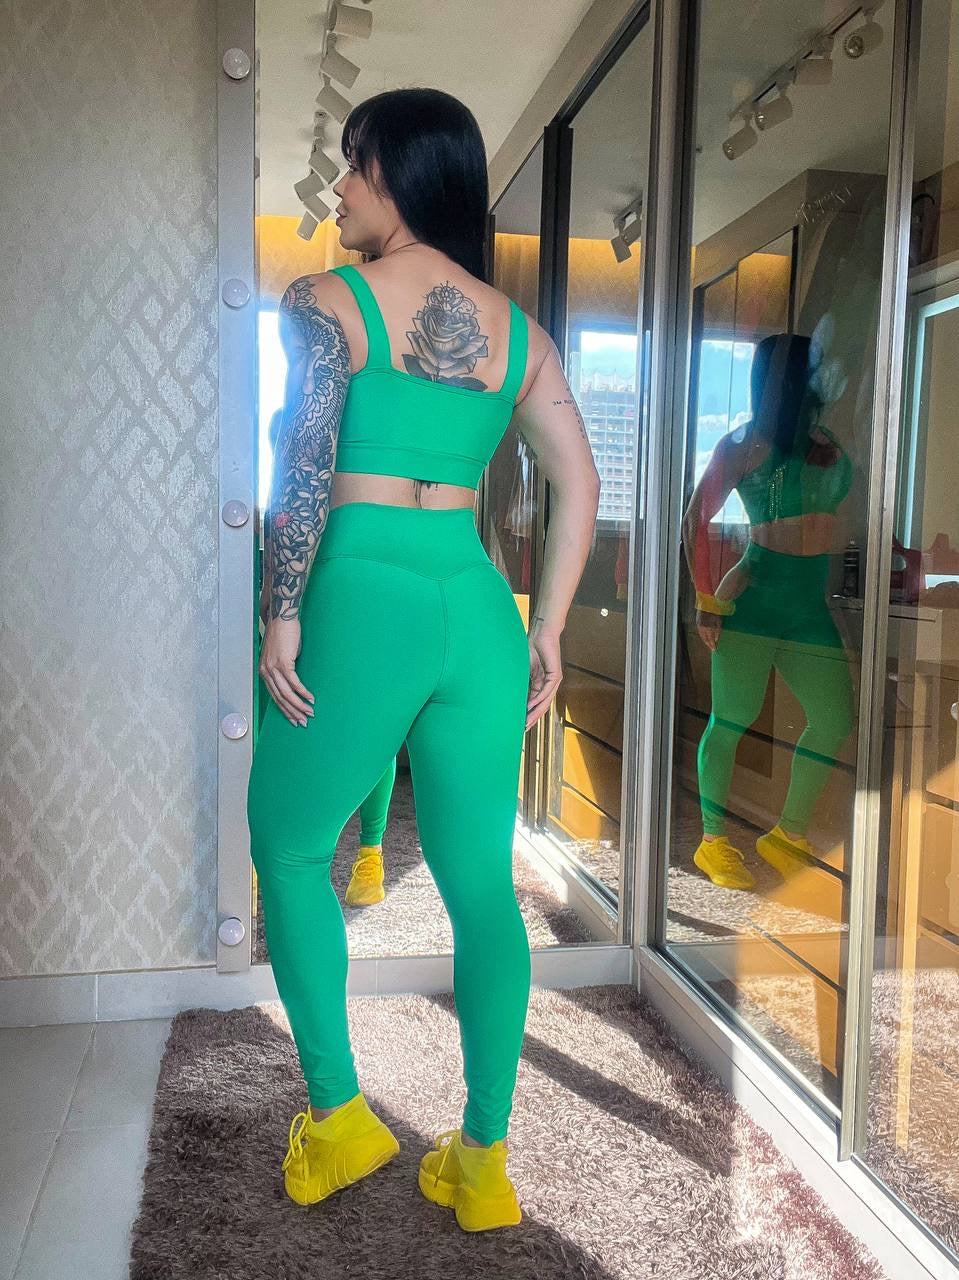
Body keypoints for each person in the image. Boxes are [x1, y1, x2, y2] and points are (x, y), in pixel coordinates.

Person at [246, 86, 600, 1232]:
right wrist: (545, 628)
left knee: (288, 844)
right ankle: (481, 1159)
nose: (339, 191)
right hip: (473, 603)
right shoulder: (520, 334)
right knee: (480, 883)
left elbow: (304, 460)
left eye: (353, 165)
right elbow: (579, 482)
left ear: (400, 172)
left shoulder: (324, 300)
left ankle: (341, 1117)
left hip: (363, 595)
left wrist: (282, 610)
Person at [681, 331, 855, 891]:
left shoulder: (824, 442)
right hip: (752, 598)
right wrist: (706, 599)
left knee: (834, 718)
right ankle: (712, 841)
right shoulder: (742, 444)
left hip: (807, 603)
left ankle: (787, 834)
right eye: (804, 371)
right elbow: (694, 520)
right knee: (731, 720)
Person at [259, 411, 395, 908]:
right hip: (295, 604)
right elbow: (280, 523)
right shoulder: (286, 447)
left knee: (374, 729)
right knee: (279, 710)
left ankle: (371, 851)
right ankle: (268, 851)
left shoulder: (373, 450)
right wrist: (272, 596)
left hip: (357, 599)